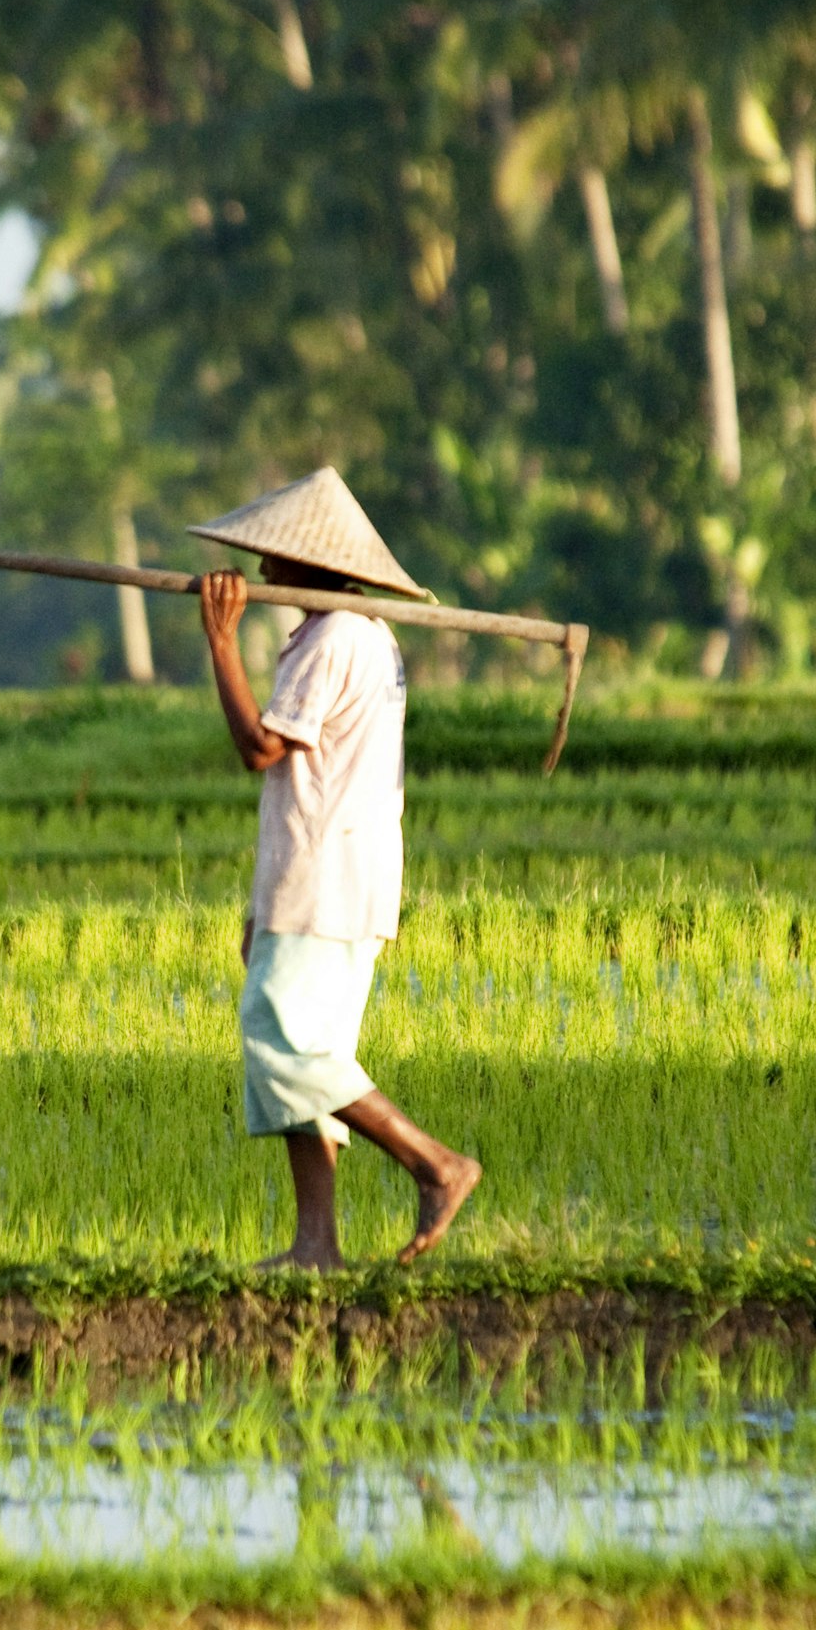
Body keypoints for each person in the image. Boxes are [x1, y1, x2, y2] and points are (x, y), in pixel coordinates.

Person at [188, 470, 481, 1269]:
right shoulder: (355, 636)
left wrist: (219, 641)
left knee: (291, 1049)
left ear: (314, 565)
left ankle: (436, 1164)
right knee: (306, 1054)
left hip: (326, 879)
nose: (266, 572)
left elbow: (261, 748)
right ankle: (316, 1244)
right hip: (324, 876)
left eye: (278, 559)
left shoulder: (336, 639)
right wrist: (262, 904)